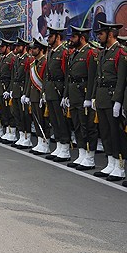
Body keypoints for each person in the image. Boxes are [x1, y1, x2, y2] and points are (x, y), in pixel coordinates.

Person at [91, 21, 127, 181]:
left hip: (112, 98)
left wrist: (118, 101)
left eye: (101, 33)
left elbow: (121, 79)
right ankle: (111, 163)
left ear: (110, 34)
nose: (99, 36)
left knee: (115, 133)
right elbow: (97, 78)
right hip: (102, 97)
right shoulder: (103, 53)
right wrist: (93, 97)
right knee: (105, 132)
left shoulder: (121, 52)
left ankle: (120, 166)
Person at [63, 26, 98, 170]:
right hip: (74, 94)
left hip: (83, 94)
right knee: (77, 125)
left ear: (82, 38)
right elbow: (69, 77)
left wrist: (89, 97)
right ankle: (82, 154)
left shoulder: (90, 53)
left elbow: (92, 77)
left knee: (87, 126)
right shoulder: (75, 54)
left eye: (74, 37)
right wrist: (66, 95)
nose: (71, 40)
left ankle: (90, 157)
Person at [44, 26, 71, 162]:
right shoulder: (51, 52)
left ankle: (65, 148)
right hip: (50, 89)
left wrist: (65, 94)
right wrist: (44, 90)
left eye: (51, 36)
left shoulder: (64, 53)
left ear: (58, 37)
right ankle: (59, 146)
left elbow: (67, 75)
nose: (48, 39)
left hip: (59, 89)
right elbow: (46, 74)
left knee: (61, 120)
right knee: (54, 120)